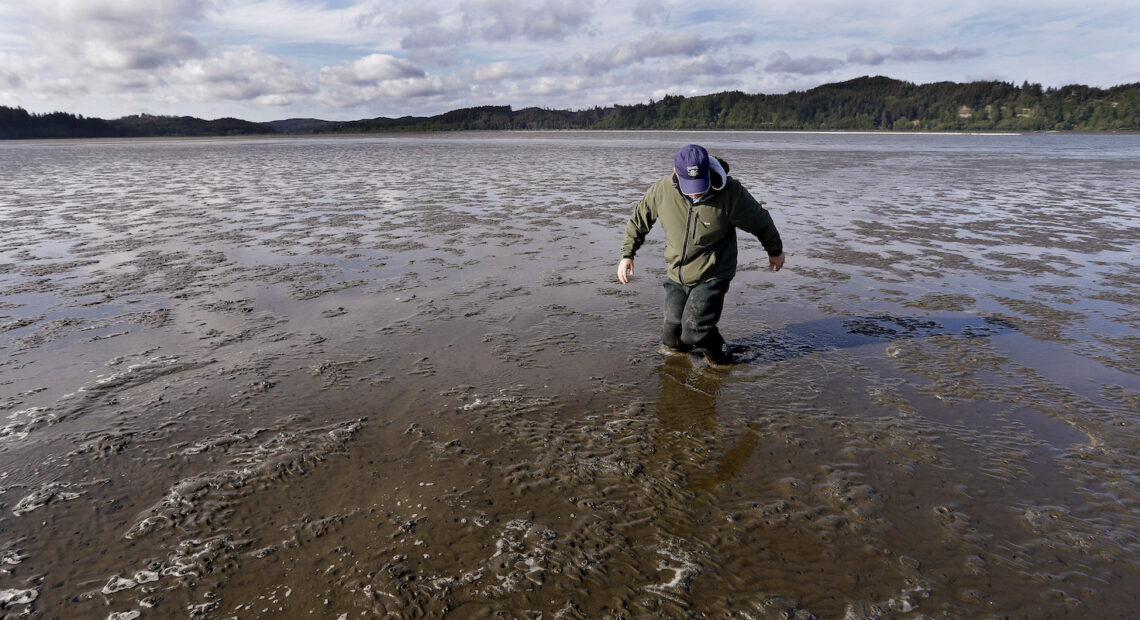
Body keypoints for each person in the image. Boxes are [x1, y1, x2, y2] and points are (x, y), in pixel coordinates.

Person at [616, 144, 785, 367]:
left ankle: (724, 361)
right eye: (689, 185)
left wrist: (775, 251)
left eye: (699, 184)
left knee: (695, 328)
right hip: (677, 273)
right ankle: (681, 366)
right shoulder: (662, 190)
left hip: (713, 273)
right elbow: (639, 219)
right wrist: (628, 254)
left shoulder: (730, 193)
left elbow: (760, 220)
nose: (695, 191)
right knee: (672, 337)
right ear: (677, 173)